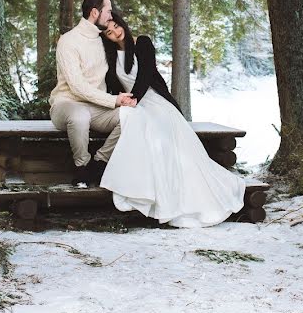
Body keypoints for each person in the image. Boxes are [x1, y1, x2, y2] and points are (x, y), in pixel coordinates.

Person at [99, 12, 246, 227]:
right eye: (110, 33)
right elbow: (114, 84)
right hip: (133, 103)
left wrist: (135, 99)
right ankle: (142, 189)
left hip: (154, 100)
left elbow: (146, 74)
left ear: (122, 23)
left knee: (160, 134)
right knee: (136, 123)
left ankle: (182, 196)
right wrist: (121, 101)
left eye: (116, 26)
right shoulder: (112, 57)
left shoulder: (142, 43)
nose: (115, 33)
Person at [49, 0, 137, 184]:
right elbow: (77, 86)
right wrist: (114, 100)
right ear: (95, 12)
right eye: (108, 11)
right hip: (66, 105)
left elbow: (121, 63)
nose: (111, 16)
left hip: (97, 107)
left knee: (131, 115)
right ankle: (82, 167)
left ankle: (99, 163)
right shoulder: (68, 40)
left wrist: (128, 97)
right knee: (80, 115)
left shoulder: (103, 40)